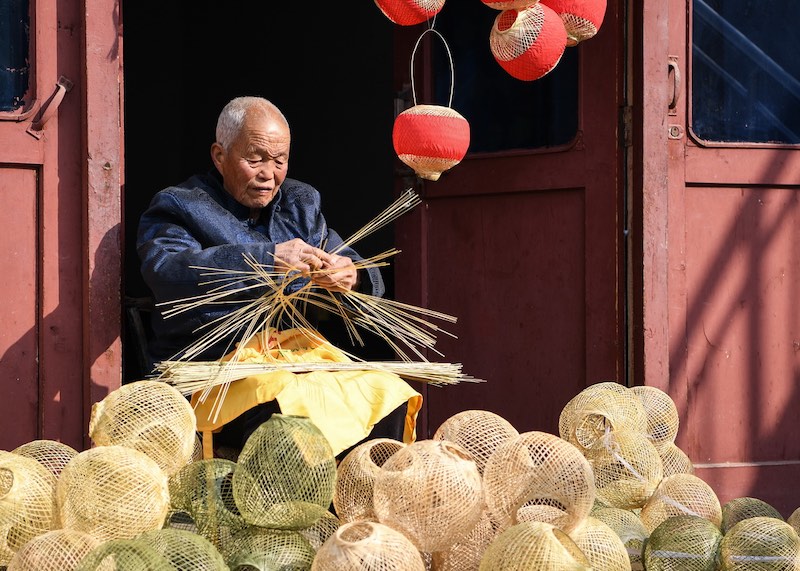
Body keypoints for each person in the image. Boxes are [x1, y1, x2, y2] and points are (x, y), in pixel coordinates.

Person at [137, 96, 415, 456]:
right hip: (218, 364)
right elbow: (167, 270)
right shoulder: (180, 206)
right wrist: (267, 259)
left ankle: (359, 499)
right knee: (284, 405)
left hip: (298, 356)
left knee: (385, 390)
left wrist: (353, 275)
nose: (269, 173)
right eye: (254, 159)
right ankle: (285, 507)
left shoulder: (301, 203)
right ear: (219, 156)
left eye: (279, 160)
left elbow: (344, 255)